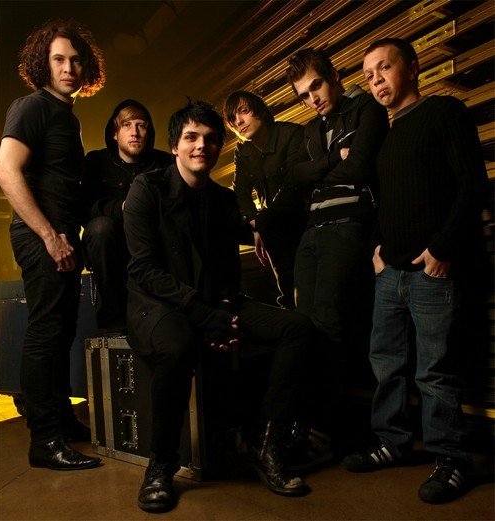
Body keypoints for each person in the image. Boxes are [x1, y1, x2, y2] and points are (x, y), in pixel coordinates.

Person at [123, 100, 315, 512]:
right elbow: (144, 269)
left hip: (213, 300)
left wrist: (224, 309)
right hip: (158, 304)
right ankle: (161, 465)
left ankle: (265, 445)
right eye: (191, 137)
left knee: (296, 328)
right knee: (178, 346)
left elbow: (228, 271)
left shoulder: (224, 200)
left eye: (211, 139)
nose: (202, 146)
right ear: (174, 146)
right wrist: (205, 316)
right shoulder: (147, 189)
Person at [343, 38, 489, 504]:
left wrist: (442, 249)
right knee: (386, 364)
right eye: (369, 76)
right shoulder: (384, 137)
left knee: (435, 372)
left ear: (412, 67)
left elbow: (473, 186)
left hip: (432, 271)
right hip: (391, 272)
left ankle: (452, 459)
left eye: (384, 68)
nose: (376, 80)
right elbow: (383, 204)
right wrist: (377, 252)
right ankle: (393, 443)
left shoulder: (444, 112)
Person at [0, 20, 105, 470]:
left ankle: (60, 419)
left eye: (76, 60)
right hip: (41, 234)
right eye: (59, 59)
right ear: (43, 63)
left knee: (61, 329)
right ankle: (44, 440)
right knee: (45, 331)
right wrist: (49, 235)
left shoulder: (67, 117)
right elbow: (5, 171)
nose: (68, 68)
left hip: (61, 234)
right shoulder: (32, 106)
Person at [284, 48, 389, 450]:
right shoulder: (311, 130)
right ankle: (306, 419)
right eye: (304, 95)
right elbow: (295, 176)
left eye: (317, 86)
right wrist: (333, 160)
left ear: (334, 76)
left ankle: (323, 426)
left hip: (347, 228)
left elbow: (360, 167)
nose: (313, 99)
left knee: (329, 323)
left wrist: (319, 173)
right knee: (303, 325)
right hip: (311, 232)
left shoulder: (366, 109)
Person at [82, 100, 172, 335]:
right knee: (99, 228)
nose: (134, 132)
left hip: (154, 246)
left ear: (148, 131)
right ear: (114, 132)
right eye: (127, 125)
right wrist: (124, 208)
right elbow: (85, 208)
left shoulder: (165, 163)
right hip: (114, 247)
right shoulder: (96, 161)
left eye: (141, 125)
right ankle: (114, 319)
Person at [223, 91, 304, 308]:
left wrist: (263, 222)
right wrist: (255, 224)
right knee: (221, 221)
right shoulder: (243, 150)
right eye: (232, 119)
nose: (238, 122)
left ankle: (290, 303)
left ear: (259, 110)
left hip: (300, 218)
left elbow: (293, 187)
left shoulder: (291, 134)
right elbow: (240, 192)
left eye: (243, 111)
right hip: (269, 224)